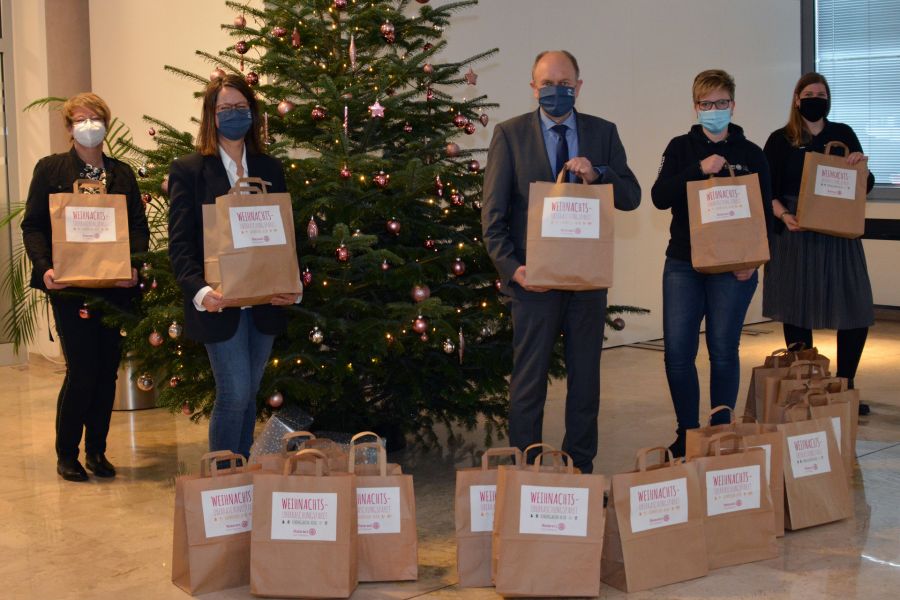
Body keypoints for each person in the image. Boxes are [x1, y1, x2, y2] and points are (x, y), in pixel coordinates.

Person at [481, 50, 641, 473]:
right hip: (533, 283)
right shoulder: (510, 135)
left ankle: (581, 468)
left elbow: (631, 196)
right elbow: (492, 218)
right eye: (547, 84)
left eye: (565, 84)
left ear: (579, 86)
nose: (556, 91)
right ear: (533, 88)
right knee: (528, 383)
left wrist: (597, 174)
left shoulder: (603, 132)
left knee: (585, 383)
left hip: (587, 285)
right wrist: (514, 271)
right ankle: (525, 469)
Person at [168, 74, 300, 459]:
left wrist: (292, 284)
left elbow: (285, 236)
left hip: (265, 299)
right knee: (234, 393)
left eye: (241, 107)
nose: (234, 115)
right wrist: (201, 292)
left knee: (250, 392)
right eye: (225, 108)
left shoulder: (269, 168)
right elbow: (180, 243)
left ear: (253, 114)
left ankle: (242, 473)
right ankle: (225, 479)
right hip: (219, 301)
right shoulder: (189, 170)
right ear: (211, 116)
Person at [21, 93, 150, 481]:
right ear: (69, 127)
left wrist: (133, 265)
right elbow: (33, 225)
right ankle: (67, 454)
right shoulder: (51, 170)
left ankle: (97, 450)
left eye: (95, 118)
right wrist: (45, 267)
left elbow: (138, 227)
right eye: (80, 119)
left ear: (106, 123)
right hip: (70, 287)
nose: (88, 125)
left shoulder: (122, 174)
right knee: (81, 371)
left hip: (115, 286)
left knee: (107, 371)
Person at [651, 69, 773, 458]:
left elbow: (765, 215)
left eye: (721, 103)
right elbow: (659, 197)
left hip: (734, 268)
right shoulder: (679, 147)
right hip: (683, 264)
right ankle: (687, 432)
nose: (714, 109)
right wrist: (697, 170)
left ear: (733, 105)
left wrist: (754, 262)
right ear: (696, 107)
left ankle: (721, 431)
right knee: (677, 353)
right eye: (707, 104)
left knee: (722, 349)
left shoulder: (752, 153)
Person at [762, 72, 875, 416]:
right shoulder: (780, 140)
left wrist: (858, 165)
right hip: (794, 232)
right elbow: (765, 190)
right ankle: (805, 388)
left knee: (854, 308)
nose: (815, 99)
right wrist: (784, 215)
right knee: (796, 310)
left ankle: (844, 387)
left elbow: (866, 183)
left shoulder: (843, 133)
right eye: (809, 94)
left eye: (821, 94)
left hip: (838, 235)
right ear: (797, 99)